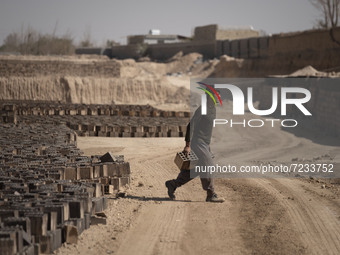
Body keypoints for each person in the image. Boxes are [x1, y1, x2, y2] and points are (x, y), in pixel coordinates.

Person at [165, 86, 225, 203]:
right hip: (198, 143)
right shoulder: (202, 109)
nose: (219, 97)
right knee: (208, 166)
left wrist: (208, 146)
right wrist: (187, 145)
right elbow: (190, 126)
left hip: (205, 144)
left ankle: (173, 184)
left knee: (196, 169)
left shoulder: (213, 109)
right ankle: (211, 194)